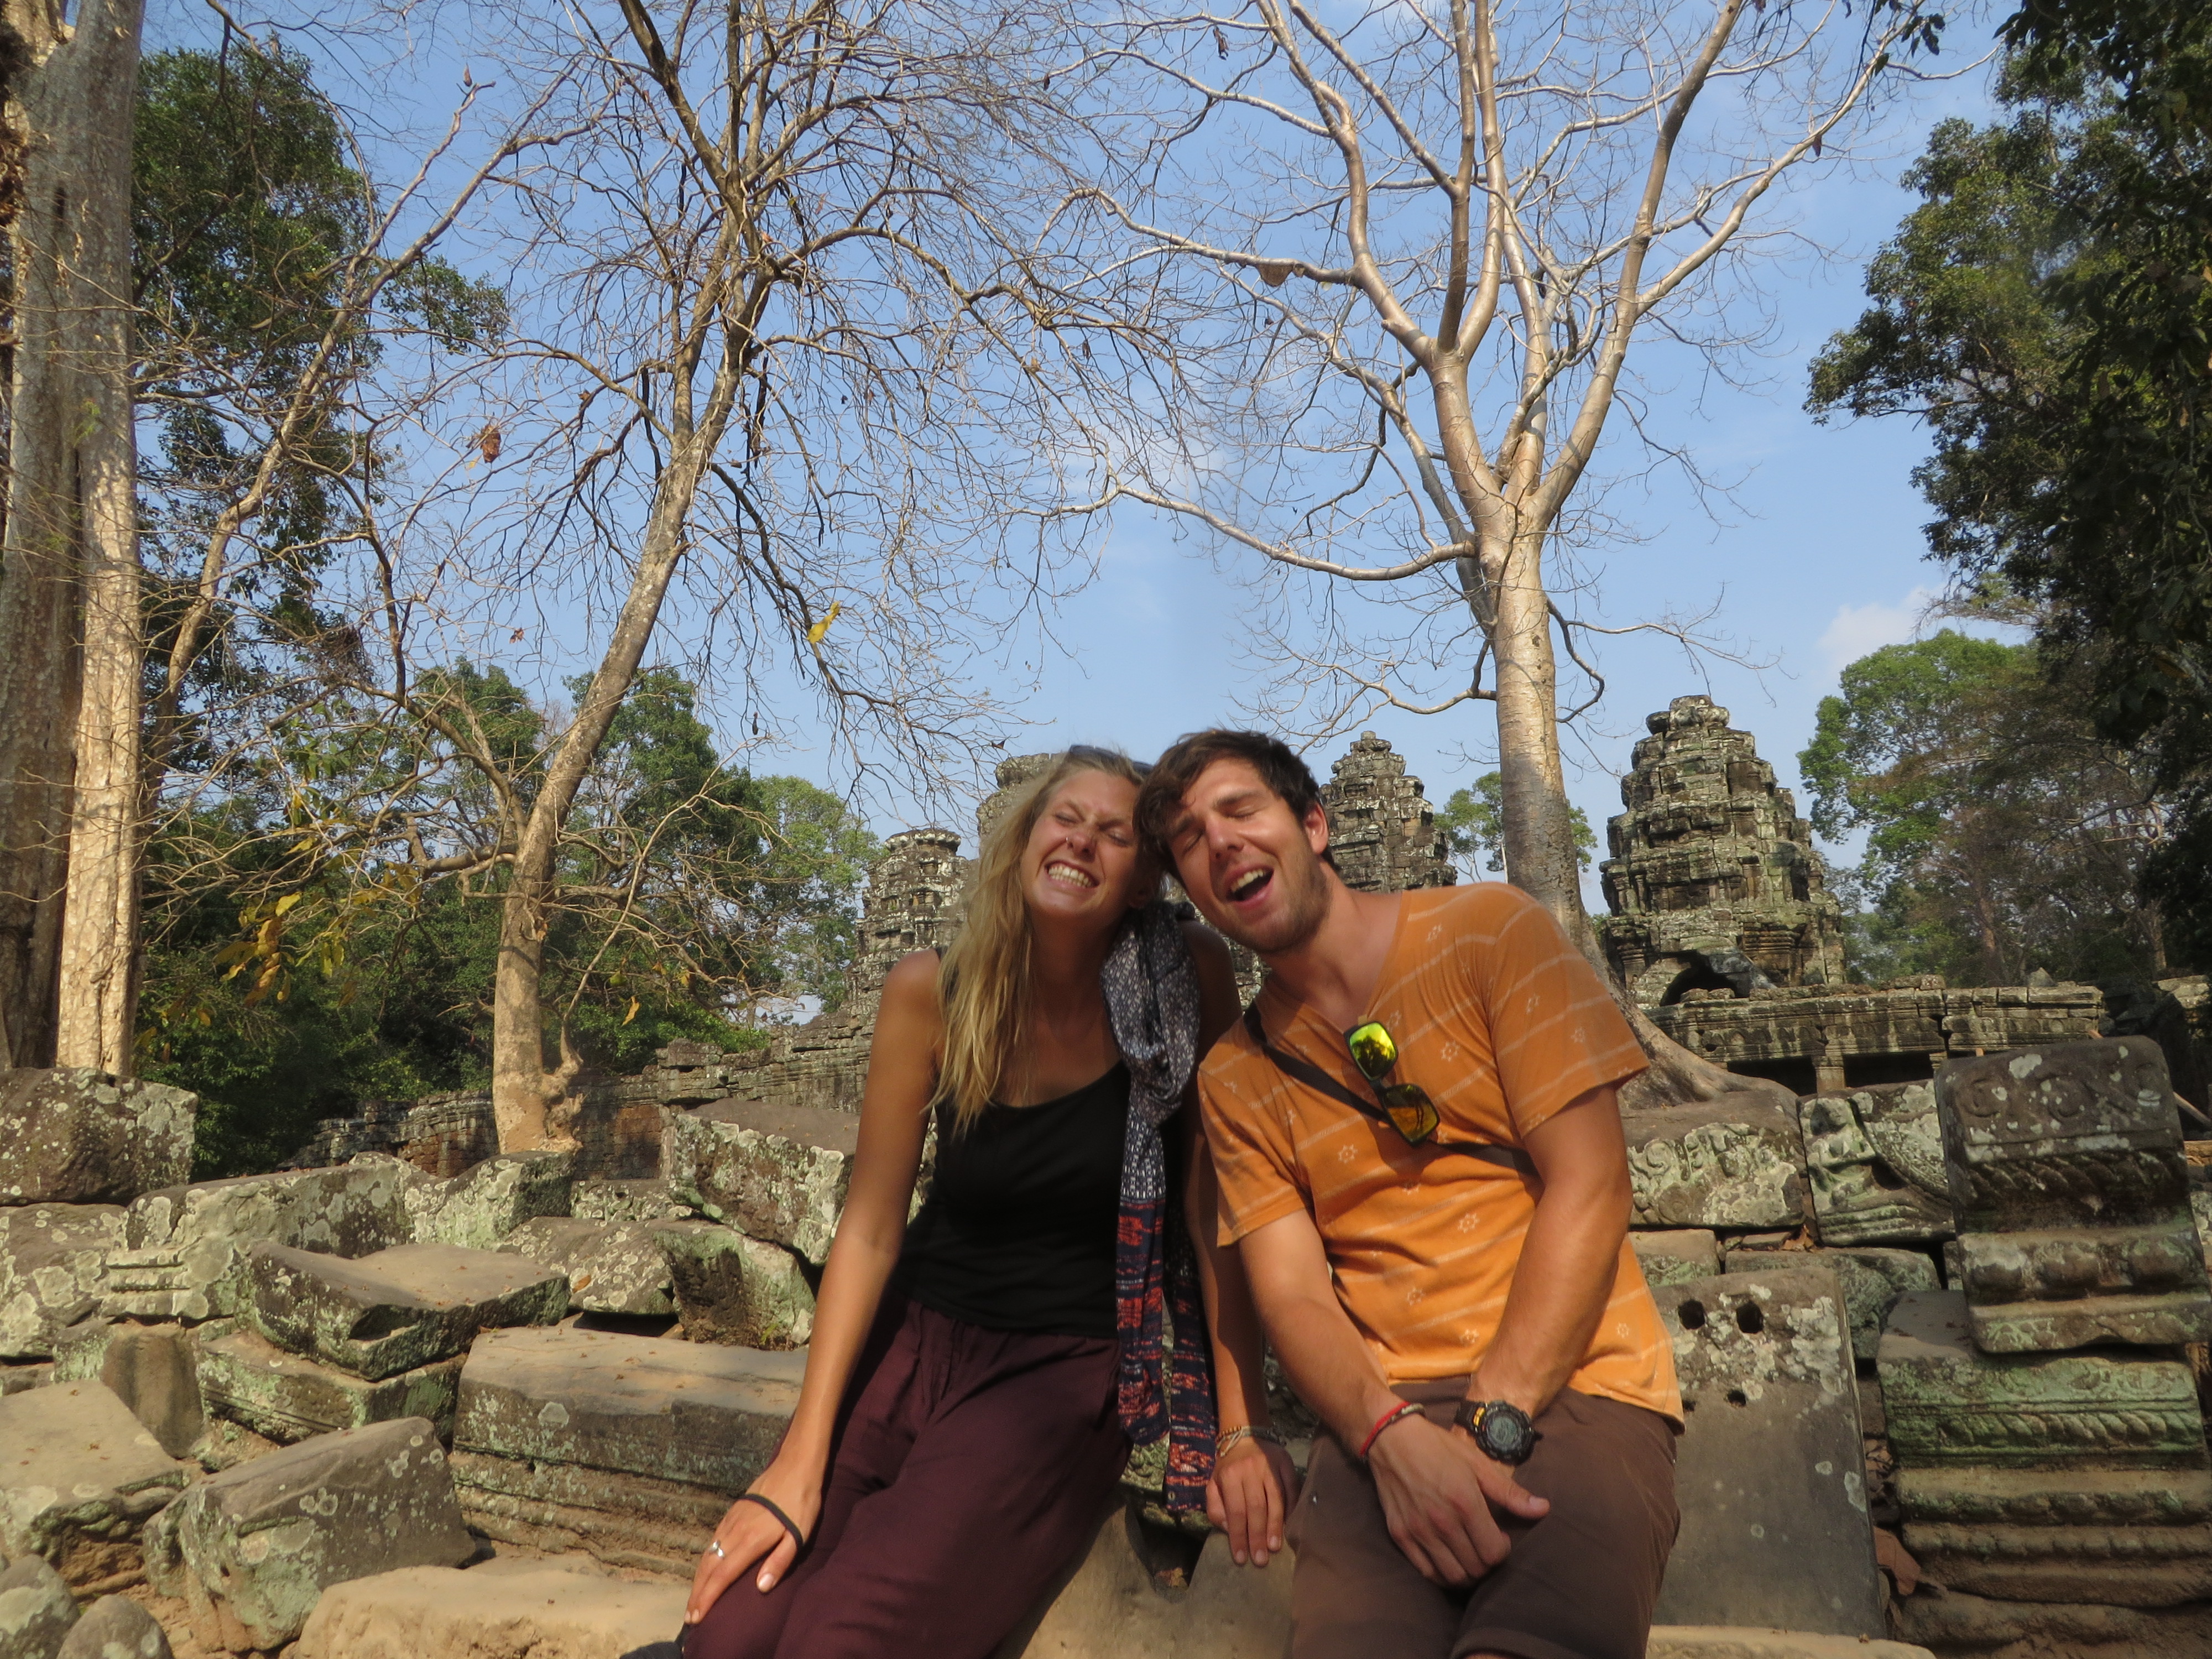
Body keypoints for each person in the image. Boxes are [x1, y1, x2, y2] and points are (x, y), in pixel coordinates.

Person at [681, 746, 1296, 1659]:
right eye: (1065, 819)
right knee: (727, 1630)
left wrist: (1242, 1424)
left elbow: (1217, 1207)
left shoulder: (1185, 980)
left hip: (1060, 1374)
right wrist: (798, 1459)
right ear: (1022, 844)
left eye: (1115, 834)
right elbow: (872, 1226)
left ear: (1141, 882)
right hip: (910, 1343)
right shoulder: (931, 991)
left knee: (841, 1634)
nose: (1082, 841)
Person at [1135, 730, 1682, 1659]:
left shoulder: (1491, 931)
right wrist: (1386, 1437)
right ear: (1191, 893)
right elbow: (1294, 1294)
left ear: (1315, 823)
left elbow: (1591, 1185)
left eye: (1241, 811)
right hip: (1377, 1418)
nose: (1220, 843)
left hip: (1578, 1388)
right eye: (1189, 840)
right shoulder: (1237, 1076)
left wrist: (1490, 1424)